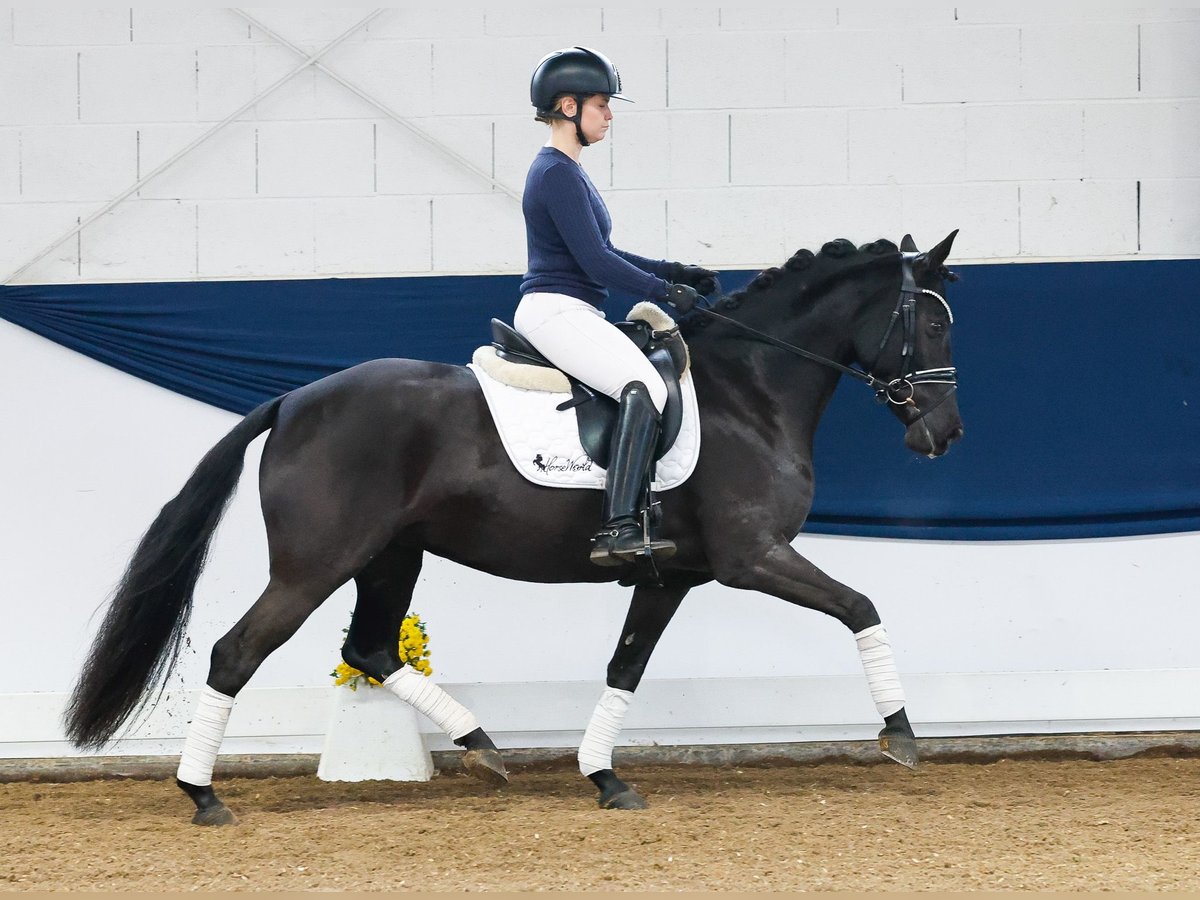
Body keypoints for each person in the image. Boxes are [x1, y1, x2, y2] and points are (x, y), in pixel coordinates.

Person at [515, 46, 717, 567]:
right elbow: (596, 262)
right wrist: (664, 293)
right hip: (555, 309)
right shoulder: (556, 172)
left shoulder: (569, 171)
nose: (609, 114)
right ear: (567, 107)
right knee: (645, 386)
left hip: (573, 308)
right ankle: (620, 526)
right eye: (601, 104)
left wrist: (675, 272)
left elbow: (605, 253)